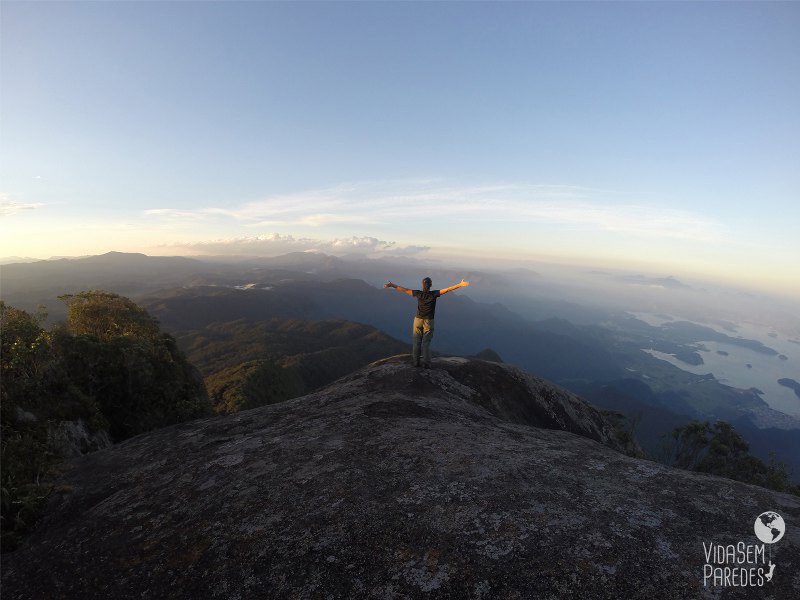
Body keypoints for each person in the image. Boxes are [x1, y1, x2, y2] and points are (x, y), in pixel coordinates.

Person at [383, 277, 470, 368]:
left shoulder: (418, 293)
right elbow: (448, 289)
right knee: (426, 343)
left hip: (418, 320)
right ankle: (426, 364)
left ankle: (416, 362)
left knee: (416, 342)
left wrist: (392, 285)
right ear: (430, 285)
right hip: (428, 321)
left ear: (422, 285)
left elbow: (405, 290)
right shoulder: (434, 294)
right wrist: (460, 285)